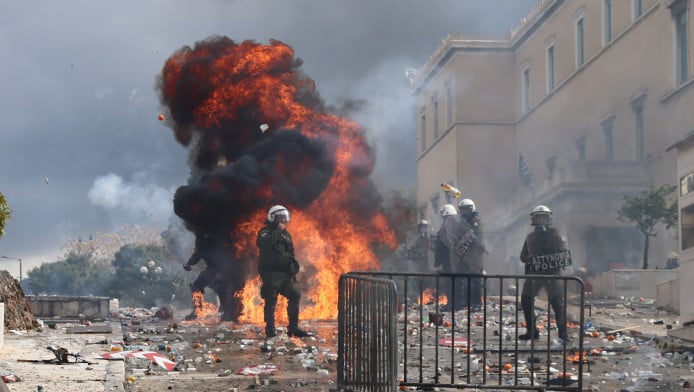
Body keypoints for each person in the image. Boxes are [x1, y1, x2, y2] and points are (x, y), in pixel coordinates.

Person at [519, 205, 572, 342]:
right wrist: (533, 259)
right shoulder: (531, 237)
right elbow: (523, 256)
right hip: (535, 274)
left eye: (543, 217)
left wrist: (551, 256)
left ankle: (563, 334)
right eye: (539, 217)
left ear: (548, 219)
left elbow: (564, 252)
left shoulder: (556, 234)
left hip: (552, 274)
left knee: (557, 303)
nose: (541, 220)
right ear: (534, 219)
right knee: (526, 299)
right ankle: (531, 331)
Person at [256, 205, 309, 338]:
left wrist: (293, 270)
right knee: (271, 300)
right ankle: (270, 330)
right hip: (270, 274)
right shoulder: (265, 232)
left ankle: (293, 327)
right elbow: (265, 244)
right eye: (280, 218)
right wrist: (278, 231)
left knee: (295, 294)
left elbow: (290, 253)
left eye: (285, 218)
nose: (283, 221)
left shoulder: (286, 235)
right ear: (273, 218)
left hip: (285, 274)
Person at [455, 198, 485, 309]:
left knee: (476, 280)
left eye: (465, 210)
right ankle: (467, 302)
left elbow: (474, 234)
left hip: (475, 256)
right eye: (461, 210)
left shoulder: (476, 220)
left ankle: (477, 303)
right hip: (465, 256)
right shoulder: (463, 222)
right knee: (464, 279)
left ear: (471, 209)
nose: (463, 212)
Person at [182, 231, 219, 321]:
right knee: (196, 286)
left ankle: (230, 313)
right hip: (213, 267)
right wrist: (189, 263)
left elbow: (198, 253)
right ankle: (197, 311)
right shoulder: (201, 237)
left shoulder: (216, 234)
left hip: (223, 266)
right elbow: (198, 253)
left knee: (224, 288)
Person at [434, 204, 464, 310]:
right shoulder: (449, 226)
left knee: (453, 283)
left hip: (451, 260)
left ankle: (455, 304)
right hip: (448, 260)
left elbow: (448, 244)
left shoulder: (452, 227)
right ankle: (452, 303)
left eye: (444, 216)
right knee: (449, 283)